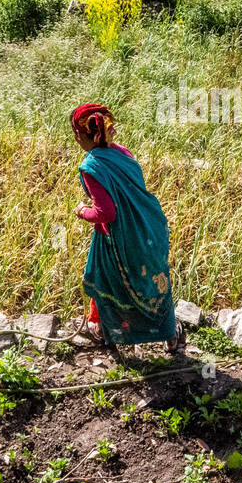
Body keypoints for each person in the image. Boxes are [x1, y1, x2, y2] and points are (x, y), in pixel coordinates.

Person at [71, 103, 184, 354]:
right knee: (155, 279)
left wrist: (82, 211)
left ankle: (102, 328)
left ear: (79, 135)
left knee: (104, 280)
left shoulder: (91, 167)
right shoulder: (123, 153)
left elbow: (107, 213)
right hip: (148, 225)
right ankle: (170, 333)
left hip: (118, 237)